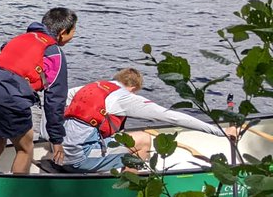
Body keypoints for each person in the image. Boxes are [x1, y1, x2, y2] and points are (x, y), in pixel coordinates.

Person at [61, 68, 234, 172]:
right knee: (144, 140)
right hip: (78, 160)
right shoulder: (124, 97)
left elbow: (54, 104)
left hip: (59, 152)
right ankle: (129, 191)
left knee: (121, 137)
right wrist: (221, 132)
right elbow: (172, 116)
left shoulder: (89, 88)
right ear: (133, 88)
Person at [0, 7, 78, 174]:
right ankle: (16, 189)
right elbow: (55, 101)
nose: (73, 36)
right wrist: (56, 139)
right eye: (73, 32)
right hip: (11, 97)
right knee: (25, 148)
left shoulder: (20, 38)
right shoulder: (55, 53)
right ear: (62, 32)